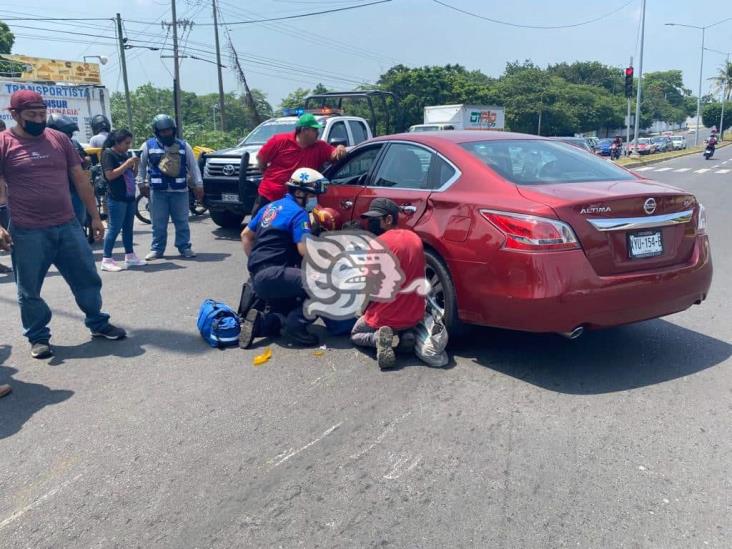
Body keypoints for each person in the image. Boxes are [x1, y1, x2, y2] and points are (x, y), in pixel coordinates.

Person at [0, 90, 126, 359]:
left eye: (41, 113)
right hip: (27, 230)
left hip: (68, 225)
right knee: (29, 289)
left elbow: (80, 179)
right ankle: (38, 337)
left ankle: (98, 323)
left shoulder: (58, 139)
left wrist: (94, 216)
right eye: (31, 115)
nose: (38, 119)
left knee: (87, 279)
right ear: (14, 115)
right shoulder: (3, 144)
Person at [239, 167, 328, 348]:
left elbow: (245, 235)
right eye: (312, 196)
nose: (314, 200)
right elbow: (304, 249)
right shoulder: (298, 213)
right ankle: (295, 328)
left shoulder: (269, 207)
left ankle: (262, 324)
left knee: (284, 309)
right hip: (277, 273)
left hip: (258, 277)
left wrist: (256, 264)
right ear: (299, 192)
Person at [350, 198, 426, 370]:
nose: (371, 223)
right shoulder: (415, 238)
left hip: (386, 316)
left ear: (388, 219)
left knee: (355, 334)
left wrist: (362, 310)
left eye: (375, 219)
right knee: (400, 320)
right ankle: (406, 337)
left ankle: (378, 339)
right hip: (415, 314)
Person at [252, 113, 347, 217]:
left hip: (298, 200)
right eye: (315, 130)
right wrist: (267, 175)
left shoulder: (320, 146)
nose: (317, 133)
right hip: (269, 196)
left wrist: (340, 148)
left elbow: (334, 154)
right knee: (257, 228)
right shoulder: (279, 141)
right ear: (304, 130)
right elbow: (261, 159)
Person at [137, 114, 203, 260]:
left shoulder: (184, 146)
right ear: (157, 132)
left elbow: (193, 167)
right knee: (158, 223)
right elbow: (140, 167)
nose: (167, 133)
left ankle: (184, 247)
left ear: (173, 130)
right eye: (163, 131)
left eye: (169, 130)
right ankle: (157, 250)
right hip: (157, 192)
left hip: (180, 191)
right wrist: (141, 183)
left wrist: (199, 185)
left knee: (182, 221)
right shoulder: (148, 146)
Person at [100, 129, 146, 271]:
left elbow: (132, 174)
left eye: (129, 143)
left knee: (128, 228)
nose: (128, 145)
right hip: (116, 197)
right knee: (114, 228)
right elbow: (110, 175)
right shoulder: (108, 154)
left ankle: (130, 256)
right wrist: (126, 164)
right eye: (126, 143)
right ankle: (106, 259)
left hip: (129, 197)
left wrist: (135, 163)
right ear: (117, 142)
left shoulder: (124, 154)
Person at [47, 114, 91, 226]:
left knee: (79, 222)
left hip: (76, 190)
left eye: (71, 133)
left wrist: (84, 160)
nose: (69, 135)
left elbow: (86, 159)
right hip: (59, 193)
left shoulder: (74, 143)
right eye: (67, 132)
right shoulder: (47, 146)